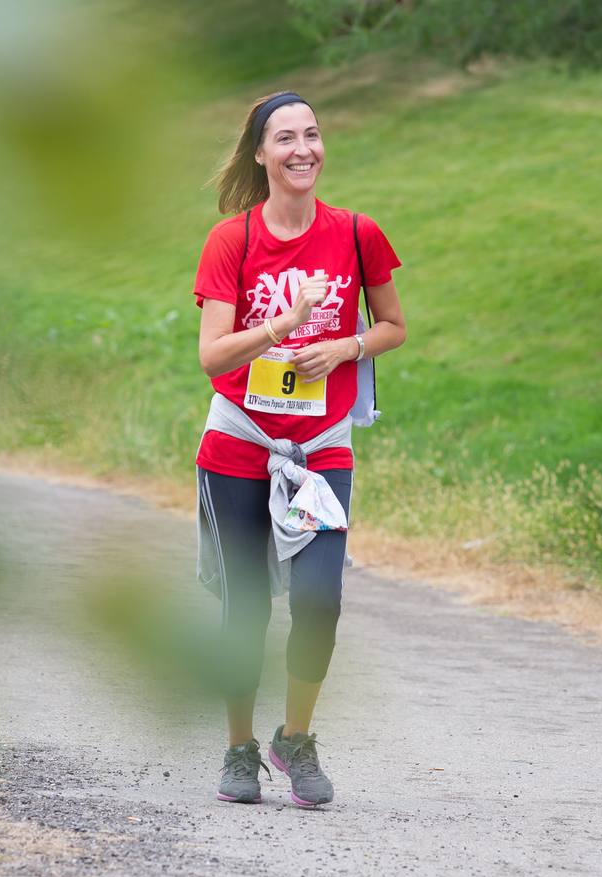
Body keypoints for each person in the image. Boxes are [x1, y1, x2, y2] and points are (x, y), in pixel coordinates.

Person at [192, 91, 405, 807]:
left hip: (320, 449)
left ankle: (294, 737)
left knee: (319, 600)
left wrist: (344, 345)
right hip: (242, 445)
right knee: (246, 606)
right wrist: (284, 326)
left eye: (312, 135)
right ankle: (238, 751)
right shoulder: (234, 240)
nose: (303, 149)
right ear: (260, 154)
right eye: (286, 138)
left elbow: (394, 327)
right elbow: (213, 355)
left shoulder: (355, 233)